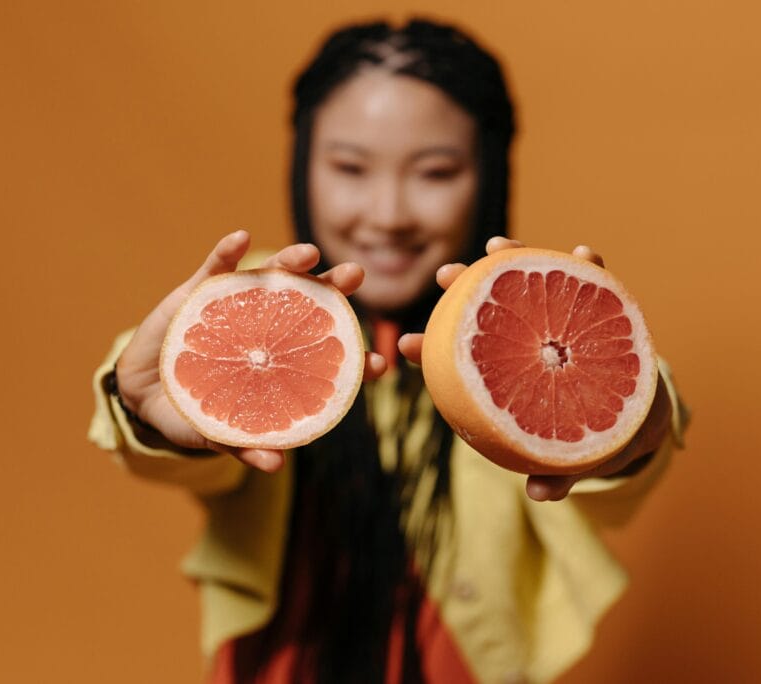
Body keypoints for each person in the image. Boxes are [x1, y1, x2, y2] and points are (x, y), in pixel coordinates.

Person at [88, 18, 688, 684]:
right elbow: (184, 450)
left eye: (434, 172)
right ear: (303, 163)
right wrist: (142, 409)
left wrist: (635, 419)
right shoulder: (253, 302)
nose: (388, 211)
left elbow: (619, 472)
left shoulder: (525, 314)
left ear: (487, 173)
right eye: (349, 167)